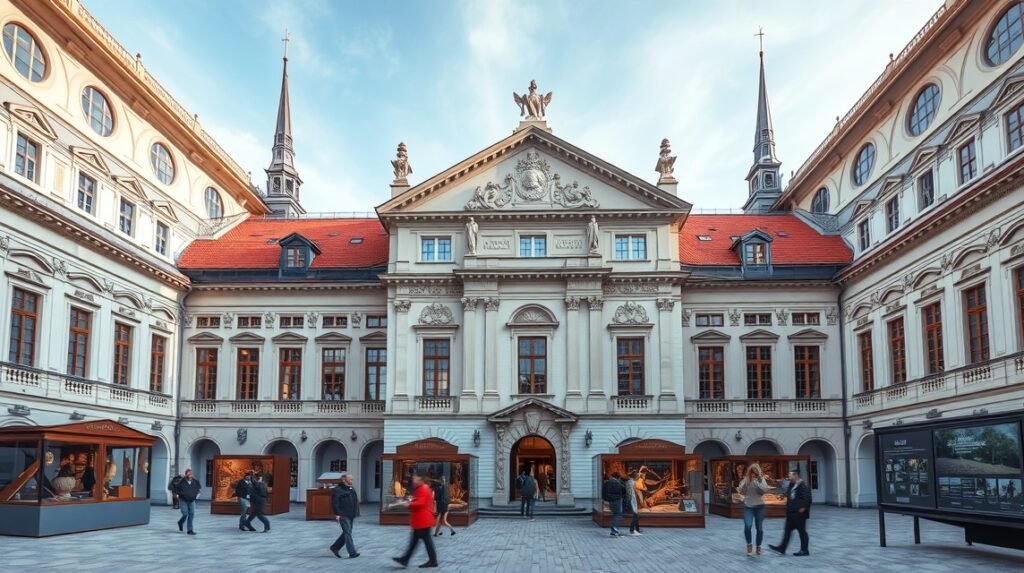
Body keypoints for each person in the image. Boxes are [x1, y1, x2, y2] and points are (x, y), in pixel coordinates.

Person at [392, 471, 439, 569]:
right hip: (422, 520)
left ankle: (431, 561)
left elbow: (420, 503)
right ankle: (406, 559)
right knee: (418, 541)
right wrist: (410, 502)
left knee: (422, 541)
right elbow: (419, 501)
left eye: (414, 478)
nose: (413, 480)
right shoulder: (422, 488)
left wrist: (408, 504)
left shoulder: (423, 488)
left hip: (423, 520)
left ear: (420, 479)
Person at [769, 468, 812, 556]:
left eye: (790, 475)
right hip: (790, 512)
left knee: (802, 532)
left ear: (796, 475)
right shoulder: (792, 485)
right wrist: (782, 495)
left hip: (799, 513)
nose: (789, 477)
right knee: (787, 531)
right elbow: (789, 493)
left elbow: (808, 498)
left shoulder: (803, 485)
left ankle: (804, 550)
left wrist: (803, 508)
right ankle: (782, 548)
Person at [738, 463, 770, 556]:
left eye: (756, 470)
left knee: (759, 528)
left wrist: (759, 479)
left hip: (760, 506)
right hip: (748, 506)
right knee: (748, 526)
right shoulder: (746, 479)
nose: (754, 472)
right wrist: (746, 482)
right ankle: (749, 545)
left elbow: (764, 490)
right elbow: (741, 491)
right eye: (752, 470)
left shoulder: (761, 479)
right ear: (749, 471)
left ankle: (758, 547)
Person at [329, 472, 360, 559]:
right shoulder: (338, 490)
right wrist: (337, 514)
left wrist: (356, 512)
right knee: (347, 533)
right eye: (350, 479)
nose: (352, 480)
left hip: (351, 514)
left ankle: (335, 547)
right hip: (343, 514)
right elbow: (335, 503)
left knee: (347, 532)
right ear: (344, 479)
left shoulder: (351, 488)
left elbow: (355, 500)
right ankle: (352, 553)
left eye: (352, 479)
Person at [175, 468, 201, 535]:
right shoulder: (181, 482)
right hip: (183, 500)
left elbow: (198, 489)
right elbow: (176, 489)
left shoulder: (195, 481)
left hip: (192, 500)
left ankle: (190, 530)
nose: (190, 475)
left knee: (191, 514)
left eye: (191, 474)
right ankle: (180, 522)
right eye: (188, 474)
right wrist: (177, 495)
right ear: (186, 474)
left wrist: (197, 494)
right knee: (185, 514)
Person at [601, 471, 626, 537]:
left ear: (612, 476)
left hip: (611, 500)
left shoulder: (607, 483)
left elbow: (603, 491)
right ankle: (615, 531)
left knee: (615, 514)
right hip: (617, 500)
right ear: (618, 477)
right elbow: (623, 491)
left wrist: (606, 499)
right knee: (618, 514)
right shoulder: (618, 483)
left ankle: (614, 530)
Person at [625, 470, 642, 535]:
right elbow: (632, 493)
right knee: (636, 515)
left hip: (631, 499)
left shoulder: (629, 482)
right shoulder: (632, 482)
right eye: (637, 476)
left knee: (636, 515)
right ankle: (632, 529)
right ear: (635, 477)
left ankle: (637, 529)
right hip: (632, 500)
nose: (638, 477)